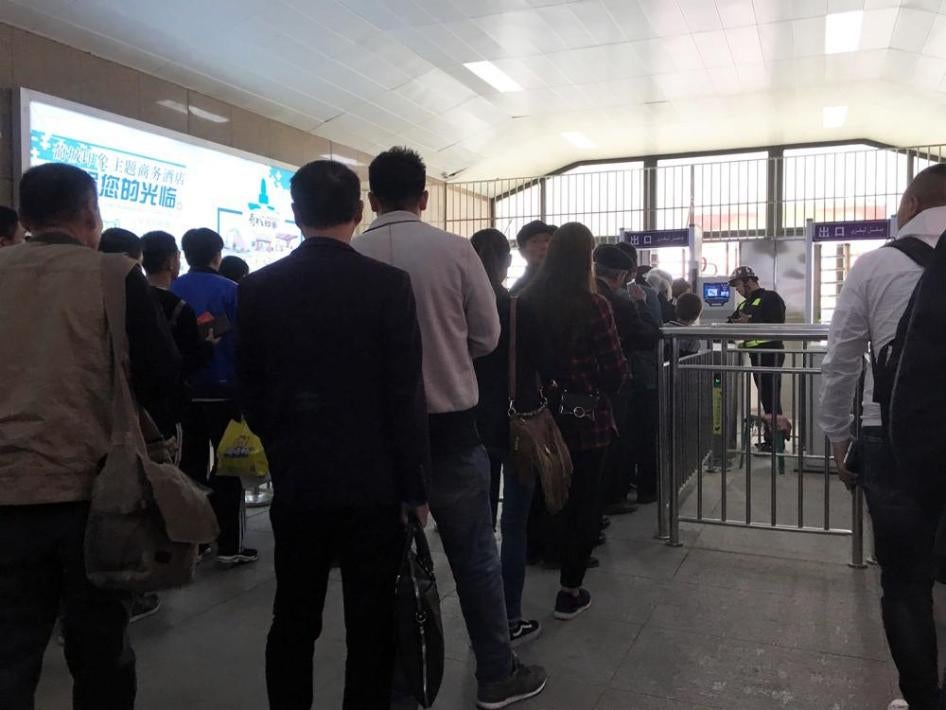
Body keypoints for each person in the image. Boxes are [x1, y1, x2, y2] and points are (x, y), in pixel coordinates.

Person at [353, 146, 547, 709]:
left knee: (385, 566)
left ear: (371, 198)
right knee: (474, 558)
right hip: (452, 429)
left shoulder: (352, 254)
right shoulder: (455, 251)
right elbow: (487, 337)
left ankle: (398, 689)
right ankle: (495, 674)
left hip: (379, 438)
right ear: (424, 196)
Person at [237, 160, 429, 710]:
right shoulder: (388, 286)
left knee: (294, 616)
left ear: (295, 214)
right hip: (375, 485)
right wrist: (415, 488)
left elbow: (250, 391)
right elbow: (404, 393)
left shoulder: (258, 288)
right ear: (359, 210)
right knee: (370, 621)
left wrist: (285, 446)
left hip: (298, 481)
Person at [0, 163, 179, 709]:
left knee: (9, 650)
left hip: (6, 494)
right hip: (94, 496)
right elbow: (165, 380)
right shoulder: (114, 275)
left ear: (25, 216)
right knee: (101, 647)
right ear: (90, 213)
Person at [821, 164, 946, 710]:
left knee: (904, 583)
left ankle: (920, 700)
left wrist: (838, 438)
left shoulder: (875, 265)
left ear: (913, 204)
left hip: (894, 438)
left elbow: (842, 362)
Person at [520, 223, 629, 620]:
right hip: (585, 414)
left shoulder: (526, 299)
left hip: (539, 414)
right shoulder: (594, 304)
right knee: (585, 499)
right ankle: (570, 590)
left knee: (545, 490)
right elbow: (615, 370)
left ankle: (538, 555)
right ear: (586, 257)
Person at [471, 228, 543, 648]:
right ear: (505, 263)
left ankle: (481, 619)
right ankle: (510, 616)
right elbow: (538, 363)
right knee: (514, 526)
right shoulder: (516, 307)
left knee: (478, 528)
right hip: (516, 425)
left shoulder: (455, 306)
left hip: (469, 427)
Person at [173, 227, 257, 567]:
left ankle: (195, 543)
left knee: (189, 466)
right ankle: (228, 545)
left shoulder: (172, 290)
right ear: (217, 254)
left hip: (184, 393)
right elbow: (247, 345)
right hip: (225, 391)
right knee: (228, 467)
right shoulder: (232, 291)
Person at [593, 245, 659, 517]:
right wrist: (641, 304)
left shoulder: (583, 294)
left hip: (581, 386)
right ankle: (612, 498)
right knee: (624, 437)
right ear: (622, 275)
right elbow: (648, 335)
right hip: (620, 380)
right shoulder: (621, 301)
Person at [140, 231, 215, 439]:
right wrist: (208, 346)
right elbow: (188, 361)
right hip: (169, 402)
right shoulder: (179, 307)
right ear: (171, 262)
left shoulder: (128, 299)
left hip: (136, 402)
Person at [617, 243, 663, 505]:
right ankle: (647, 489)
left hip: (619, 375)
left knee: (623, 435)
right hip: (644, 374)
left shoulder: (601, 294)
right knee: (646, 435)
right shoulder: (646, 294)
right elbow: (654, 331)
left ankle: (620, 490)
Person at [727, 265, 786, 450]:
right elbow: (731, 321)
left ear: (749, 282)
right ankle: (771, 439)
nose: (737, 290)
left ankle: (776, 441)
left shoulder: (770, 298)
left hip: (770, 354)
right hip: (756, 357)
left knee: (772, 398)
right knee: (766, 399)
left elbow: (777, 322)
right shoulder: (744, 304)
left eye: (738, 285)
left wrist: (750, 323)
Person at [510, 220, 555, 295]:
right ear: (522, 252)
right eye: (535, 241)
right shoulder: (518, 290)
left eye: (547, 240)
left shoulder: (562, 280)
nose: (544, 246)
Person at [664, 292, 704, 361]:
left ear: (676, 308)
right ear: (697, 315)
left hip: (661, 369)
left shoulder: (663, 328)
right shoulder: (693, 337)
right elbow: (691, 361)